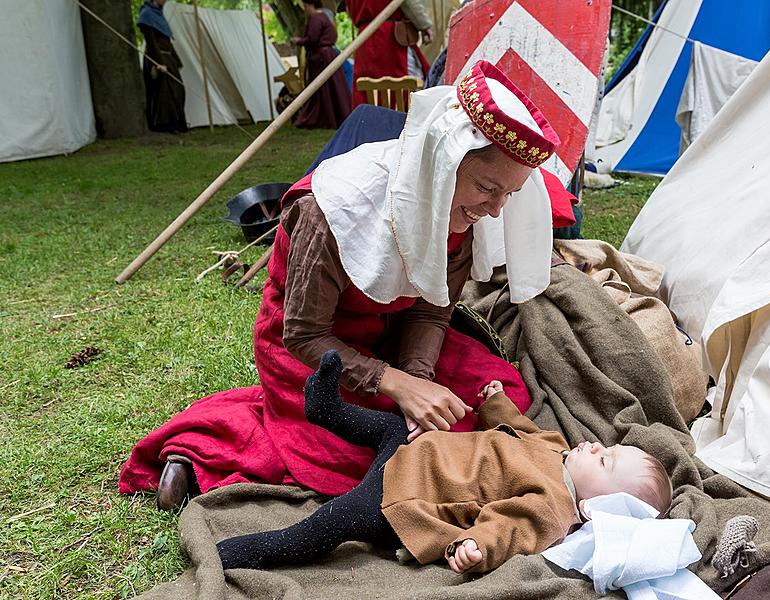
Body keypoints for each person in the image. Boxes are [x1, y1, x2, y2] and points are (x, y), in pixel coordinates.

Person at [119, 60, 561, 512]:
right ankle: (202, 444)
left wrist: (416, 381)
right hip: (308, 350)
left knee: (493, 395)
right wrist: (396, 386)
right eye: (489, 188)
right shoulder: (333, 209)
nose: (494, 210)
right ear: (444, 162)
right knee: (352, 456)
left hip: (389, 336)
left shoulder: (459, 206)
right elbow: (304, 335)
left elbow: (431, 310)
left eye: (509, 194)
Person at [216, 351, 674, 572]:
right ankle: (325, 410)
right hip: (414, 454)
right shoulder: (555, 448)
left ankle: (249, 553)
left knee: (331, 524)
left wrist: (477, 548)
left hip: (404, 500)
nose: (596, 447)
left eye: (606, 461)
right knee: (389, 427)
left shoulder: (551, 506)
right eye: (607, 446)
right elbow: (519, 428)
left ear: (594, 509)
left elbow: (509, 527)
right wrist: (496, 404)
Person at [345, 0, 433, 107]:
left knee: (369, 93)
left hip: (364, 40)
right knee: (413, 87)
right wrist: (424, 25)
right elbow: (408, 2)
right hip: (390, 38)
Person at [288, 0, 352, 128]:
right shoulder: (322, 16)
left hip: (322, 58)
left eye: (305, 6)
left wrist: (298, 41)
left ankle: (323, 119)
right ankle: (329, 117)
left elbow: (313, 38)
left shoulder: (316, 18)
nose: (305, 9)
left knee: (324, 89)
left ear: (311, 5)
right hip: (324, 56)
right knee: (328, 89)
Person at [137, 0, 187, 133]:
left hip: (168, 58)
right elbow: (152, 42)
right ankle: (164, 125)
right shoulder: (147, 14)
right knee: (164, 93)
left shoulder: (159, 14)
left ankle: (177, 124)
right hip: (156, 58)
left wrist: (176, 61)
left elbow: (167, 41)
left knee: (178, 90)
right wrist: (159, 63)